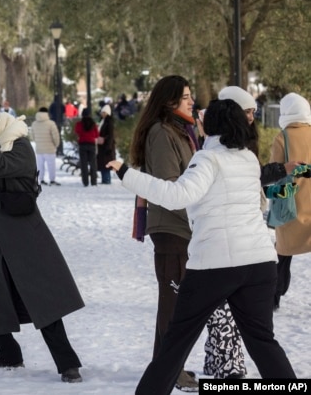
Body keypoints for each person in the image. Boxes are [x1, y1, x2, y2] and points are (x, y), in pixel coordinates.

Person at [108, 99, 297, 394]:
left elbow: (175, 196)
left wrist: (126, 174)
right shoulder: (246, 158)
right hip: (259, 263)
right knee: (262, 341)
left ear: (213, 125)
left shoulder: (207, 160)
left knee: (176, 342)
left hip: (214, 265)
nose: (199, 118)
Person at [0, 100, 84, 384]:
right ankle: (9, 354)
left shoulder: (20, 148)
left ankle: (68, 364)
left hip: (26, 241)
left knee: (43, 302)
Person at [126, 75, 198, 390]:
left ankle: (167, 367)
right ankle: (171, 371)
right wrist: (195, 216)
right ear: (169, 102)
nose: (191, 101)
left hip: (181, 227)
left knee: (176, 303)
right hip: (171, 227)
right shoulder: (161, 133)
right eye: (186, 97)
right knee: (174, 304)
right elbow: (170, 188)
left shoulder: (181, 131)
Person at [269, 92, 311, 310]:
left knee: (283, 252)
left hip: (291, 204)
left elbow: (273, 171)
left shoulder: (282, 137)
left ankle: (275, 296)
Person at [30, 106, 60, 185]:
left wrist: (37, 142)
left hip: (39, 148)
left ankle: (41, 179)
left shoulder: (34, 124)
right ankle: (52, 179)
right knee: (51, 166)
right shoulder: (51, 123)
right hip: (50, 148)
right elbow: (55, 136)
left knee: (40, 165)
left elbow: (32, 136)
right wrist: (56, 145)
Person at [74, 108, 99, 187]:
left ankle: (85, 182)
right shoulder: (93, 124)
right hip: (91, 144)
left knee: (84, 164)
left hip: (82, 144)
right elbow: (97, 135)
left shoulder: (79, 124)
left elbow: (77, 131)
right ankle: (93, 181)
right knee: (93, 164)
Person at [96, 104, 115, 184]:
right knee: (103, 163)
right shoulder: (103, 121)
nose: (102, 114)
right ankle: (104, 179)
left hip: (106, 146)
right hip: (102, 146)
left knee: (106, 164)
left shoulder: (109, 122)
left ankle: (106, 179)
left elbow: (110, 135)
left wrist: (108, 146)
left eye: (104, 112)